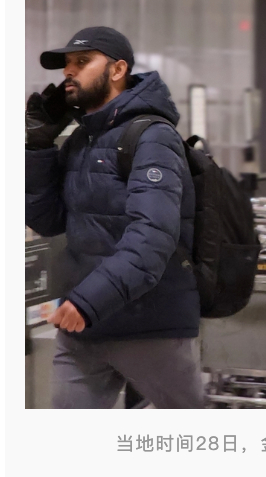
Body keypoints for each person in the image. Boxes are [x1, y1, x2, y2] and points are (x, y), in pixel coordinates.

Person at [25, 26, 203, 409]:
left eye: (82, 62)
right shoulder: (81, 140)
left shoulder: (152, 137)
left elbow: (152, 237)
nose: (69, 71)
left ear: (118, 70)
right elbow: (49, 221)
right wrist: (37, 148)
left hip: (149, 326)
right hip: (82, 328)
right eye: (67, 64)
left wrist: (88, 301)